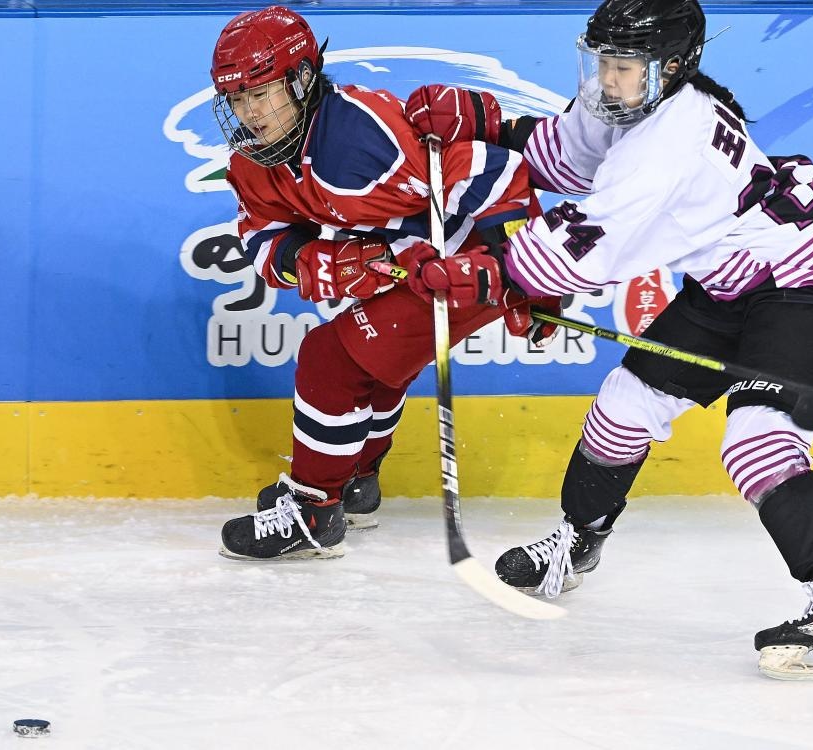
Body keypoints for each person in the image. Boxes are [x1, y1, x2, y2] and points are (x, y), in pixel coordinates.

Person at [402, 0, 813, 680]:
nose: (607, 78)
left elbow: (586, 242)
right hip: (728, 284)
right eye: (603, 61)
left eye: (623, 66)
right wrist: (491, 125)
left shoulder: (672, 140)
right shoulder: (635, 98)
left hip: (804, 283)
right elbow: (568, 157)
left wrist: (491, 272)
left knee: (757, 443)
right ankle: (580, 542)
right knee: (621, 410)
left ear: (674, 66)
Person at [208, 6, 554, 560]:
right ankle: (355, 482)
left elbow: (492, 171)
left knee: (330, 358)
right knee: (373, 364)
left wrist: (520, 270)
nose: (249, 113)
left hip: (462, 266)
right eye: (237, 98)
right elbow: (263, 235)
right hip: (405, 266)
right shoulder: (256, 162)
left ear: (302, 79)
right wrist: (310, 260)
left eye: (262, 93)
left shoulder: (360, 140)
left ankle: (315, 510)